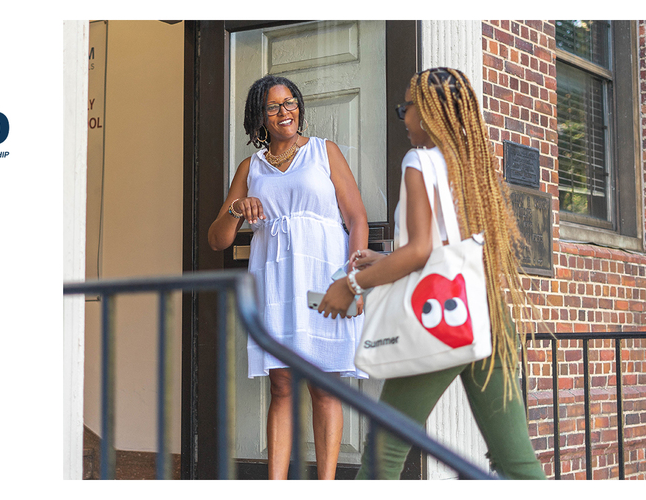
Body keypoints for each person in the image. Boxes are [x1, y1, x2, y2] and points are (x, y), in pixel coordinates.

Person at [317, 67, 545, 479]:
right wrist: (381, 259)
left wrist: (351, 284)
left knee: (382, 457)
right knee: (516, 465)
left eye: (407, 107)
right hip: (489, 315)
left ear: (429, 113)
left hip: (441, 317)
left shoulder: (419, 160)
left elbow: (421, 252)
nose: (403, 117)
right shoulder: (470, 164)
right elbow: (442, 246)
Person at [208, 75, 369, 480]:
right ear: (259, 118)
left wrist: (353, 279)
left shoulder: (324, 152)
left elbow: (356, 218)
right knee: (280, 387)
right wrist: (236, 209)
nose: (285, 112)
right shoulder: (252, 167)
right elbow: (216, 240)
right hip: (275, 281)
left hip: (322, 278)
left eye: (291, 102)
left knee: (325, 387)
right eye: (274, 106)